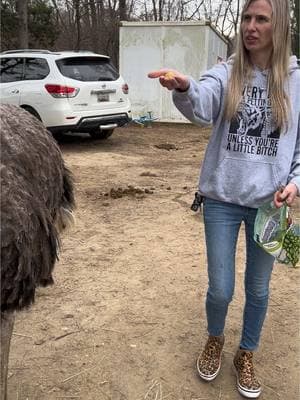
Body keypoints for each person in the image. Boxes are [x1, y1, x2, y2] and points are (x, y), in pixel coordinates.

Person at [148, 0, 300, 398]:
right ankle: (215, 339)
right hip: (221, 200)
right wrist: (184, 87)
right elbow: (203, 101)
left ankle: (245, 352)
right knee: (220, 288)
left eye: (261, 19)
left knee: (259, 289)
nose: (251, 27)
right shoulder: (227, 71)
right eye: (247, 18)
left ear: (279, 25)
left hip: (270, 206)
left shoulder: (296, 81)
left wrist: (295, 184)